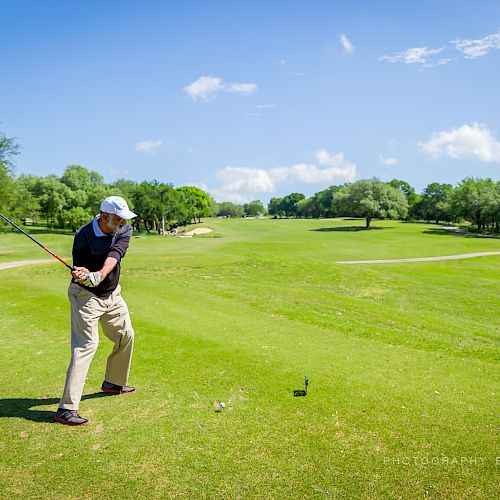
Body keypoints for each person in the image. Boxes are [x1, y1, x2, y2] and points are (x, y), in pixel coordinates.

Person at [53, 196, 137, 426]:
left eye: (123, 218)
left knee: (125, 335)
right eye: (118, 217)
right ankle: (66, 409)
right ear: (104, 216)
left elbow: (115, 255)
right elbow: (80, 267)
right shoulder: (83, 235)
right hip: (85, 297)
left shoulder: (124, 228)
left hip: (111, 293)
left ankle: (113, 382)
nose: (122, 221)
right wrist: (82, 273)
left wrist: (99, 275)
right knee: (86, 345)